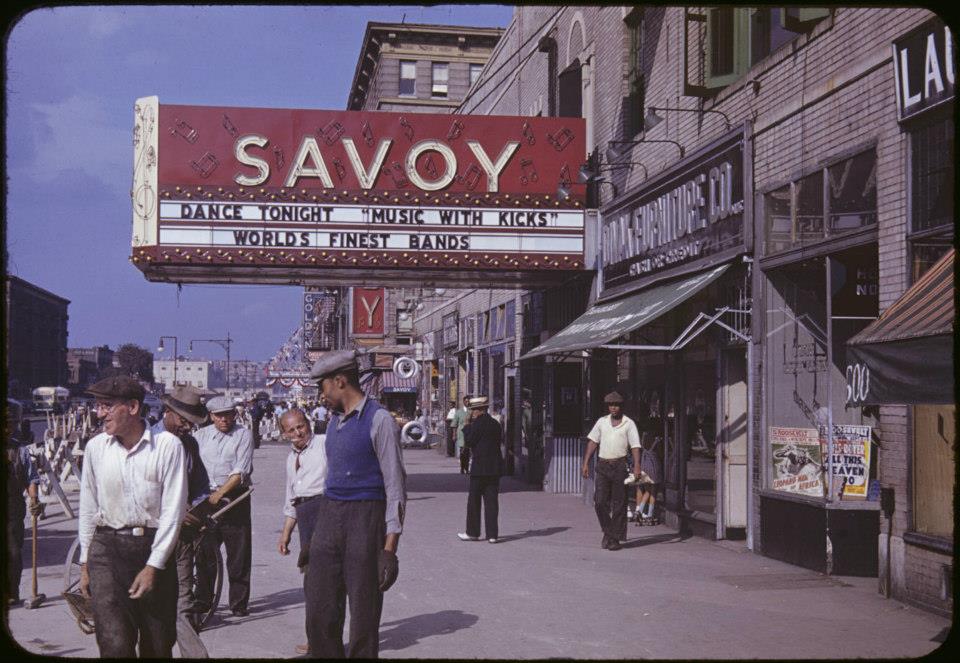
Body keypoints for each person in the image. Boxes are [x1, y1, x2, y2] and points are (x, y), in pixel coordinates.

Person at [305, 349, 406, 659]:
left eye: (323, 388)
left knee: (363, 609)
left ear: (340, 381)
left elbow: (395, 486)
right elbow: (329, 479)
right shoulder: (334, 423)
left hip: (366, 517)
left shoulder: (379, 420)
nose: (322, 396)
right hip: (330, 514)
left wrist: (389, 548)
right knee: (320, 605)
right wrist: (315, 536)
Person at [77, 376, 187, 657]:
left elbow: (173, 513)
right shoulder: (96, 448)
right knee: (114, 642)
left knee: (158, 643)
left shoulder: (168, 447)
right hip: (106, 550)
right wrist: (85, 561)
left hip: (151, 549)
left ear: (133, 407)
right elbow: (89, 506)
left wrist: (153, 566)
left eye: (107, 406)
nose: (99, 414)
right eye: (98, 406)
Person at [150, 386, 211, 657]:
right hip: (148, 538)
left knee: (183, 604)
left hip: (181, 538)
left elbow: (201, 487)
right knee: (150, 609)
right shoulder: (145, 441)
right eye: (184, 420)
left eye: (192, 422)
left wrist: (195, 509)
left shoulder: (189, 444)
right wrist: (170, 509)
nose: (187, 427)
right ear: (168, 413)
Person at [277, 408, 331, 657]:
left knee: (325, 580)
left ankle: (324, 642)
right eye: (292, 429)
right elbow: (292, 498)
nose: (299, 432)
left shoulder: (324, 444)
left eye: (301, 425)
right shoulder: (291, 459)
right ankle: (315, 638)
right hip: (304, 515)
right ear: (284, 434)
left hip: (325, 510)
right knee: (311, 579)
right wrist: (286, 532)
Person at [195, 395, 254, 617]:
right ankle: (203, 600)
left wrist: (220, 493)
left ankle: (238, 603)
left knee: (238, 552)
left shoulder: (243, 435)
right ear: (211, 416)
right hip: (206, 498)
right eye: (219, 416)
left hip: (234, 497)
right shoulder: (200, 436)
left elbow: (241, 471)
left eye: (228, 414)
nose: (224, 420)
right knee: (205, 552)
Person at [581, 391, 641, 551]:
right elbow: (593, 442)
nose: (613, 408)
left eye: (616, 405)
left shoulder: (629, 423)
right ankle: (610, 533)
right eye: (611, 405)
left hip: (620, 465)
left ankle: (613, 539)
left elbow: (635, 446)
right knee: (600, 502)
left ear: (621, 407)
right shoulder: (602, 422)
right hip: (603, 465)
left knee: (619, 503)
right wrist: (585, 463)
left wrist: (637, 466)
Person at [6, 399, 42, 605]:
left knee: (12, 550)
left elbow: (31, 478)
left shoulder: (21, 451)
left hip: (13, 508)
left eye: (11, 423)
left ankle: (12, 593)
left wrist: (34, 500)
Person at [456, 396, 504, 544]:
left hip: (479, 468)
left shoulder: (476, 424)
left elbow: (469, 442)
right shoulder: (496, 424)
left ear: (478, 410)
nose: (472, 413)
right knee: (492, 502)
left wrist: (466, 425)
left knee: (474, 501)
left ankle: (473, 532)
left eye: (473, 410)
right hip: (494, 468)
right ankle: (492, 535)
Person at [453, 396, 471, 474]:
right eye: (466, 401)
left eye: (468, 401)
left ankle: (466, 468)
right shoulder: (459, 412)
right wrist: (454, 435)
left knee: (467, 451)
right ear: (463, 402)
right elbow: (454, 424)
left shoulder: (471, 411)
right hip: (461, 433)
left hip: (470, 432)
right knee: (462, 451)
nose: (467, 403)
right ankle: (462, 467)